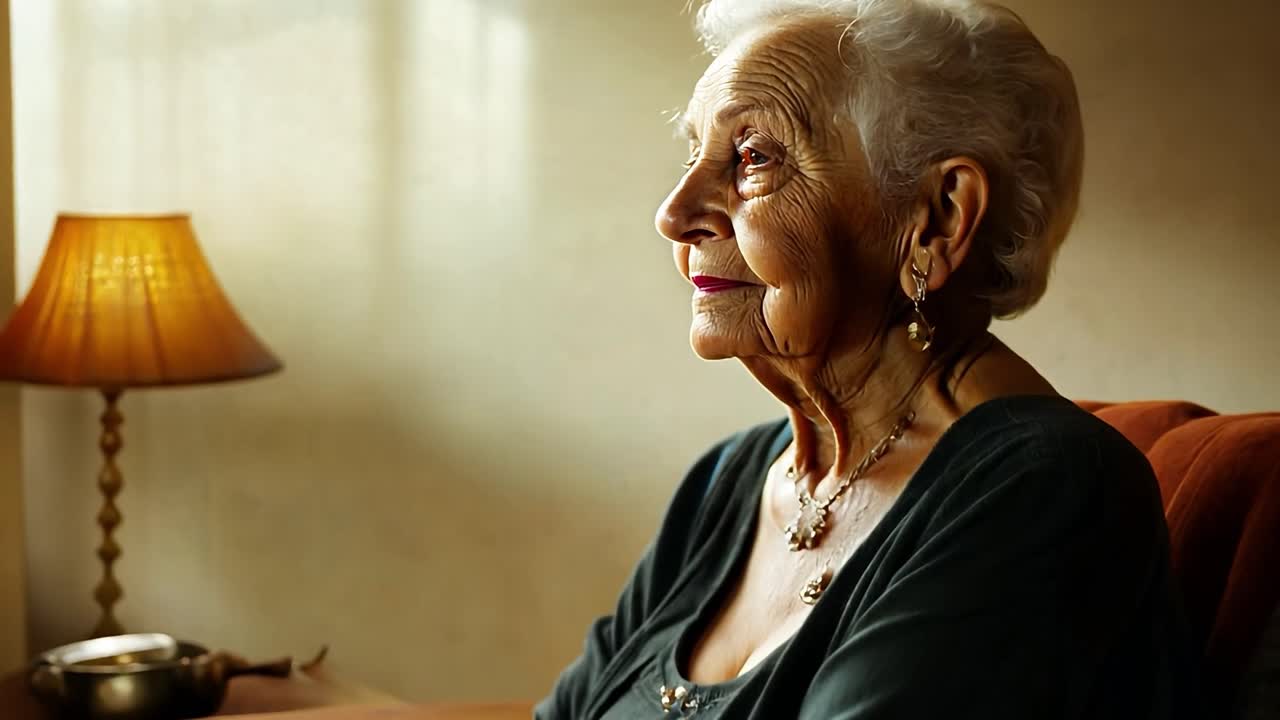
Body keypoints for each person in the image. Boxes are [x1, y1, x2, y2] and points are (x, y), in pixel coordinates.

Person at [535, 0, 1200, 718]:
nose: (674, 211)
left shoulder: (1047, 488)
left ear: (939, 218)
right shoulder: (725, 483)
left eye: (754, 156)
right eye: (694, 153)